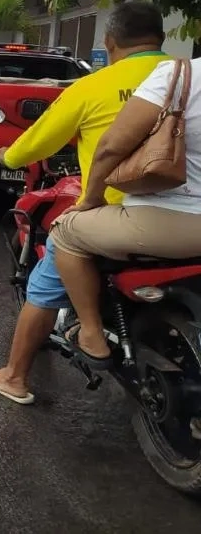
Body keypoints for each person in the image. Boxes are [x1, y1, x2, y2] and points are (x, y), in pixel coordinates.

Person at [0, 0, 170, 403]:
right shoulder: (187, 78)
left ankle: (15, 376)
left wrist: (8, 157)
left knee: (45, 284)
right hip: (188, 217)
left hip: (120, 216)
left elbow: (39, 140)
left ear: (110, 41)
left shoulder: (92, 86)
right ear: (162, 38)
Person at [51, 53, 201, 369]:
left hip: (169, 223)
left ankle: (91, 333)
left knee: (66, 232)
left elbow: (111, 147)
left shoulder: (179, 75)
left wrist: (92, 198)